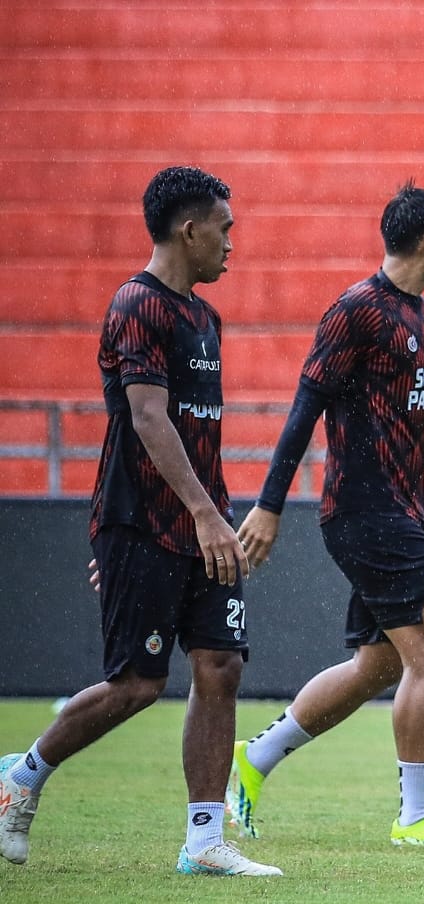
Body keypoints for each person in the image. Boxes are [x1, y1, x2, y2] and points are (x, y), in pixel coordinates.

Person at [0, 167, 280, 876]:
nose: (232, 242)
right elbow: (149, 418)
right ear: (190, 230)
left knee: (221, 665)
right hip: (144, 521)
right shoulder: (137, 305)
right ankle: (20, 779)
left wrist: (213, 516)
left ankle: (204, 841)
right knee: (137, 684)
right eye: (224, 227)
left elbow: (199, 431)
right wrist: (202, 517)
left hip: (201, 524)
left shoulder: (205, 318)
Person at [225, 182, 424, 848]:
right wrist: (269, 503)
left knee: (379, 665)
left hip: (399, 511)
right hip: (366, 509)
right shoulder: (356, 311)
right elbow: (305, 408)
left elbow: (418, 425)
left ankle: (254, 758)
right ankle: (418, 816)